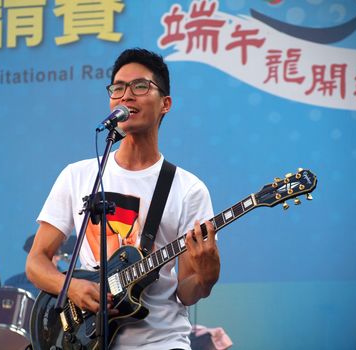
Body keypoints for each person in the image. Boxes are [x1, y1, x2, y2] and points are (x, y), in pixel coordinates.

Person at [26, 48, 221, 350]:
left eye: (140, 86)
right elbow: (36, 263)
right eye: (118, 88)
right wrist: (72, 287)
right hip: (87, 339)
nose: (126, 96)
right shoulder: (77, 175)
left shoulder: (188, 189)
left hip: (162, 342)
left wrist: (206, 278)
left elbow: (187, 292)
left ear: (165, 104)